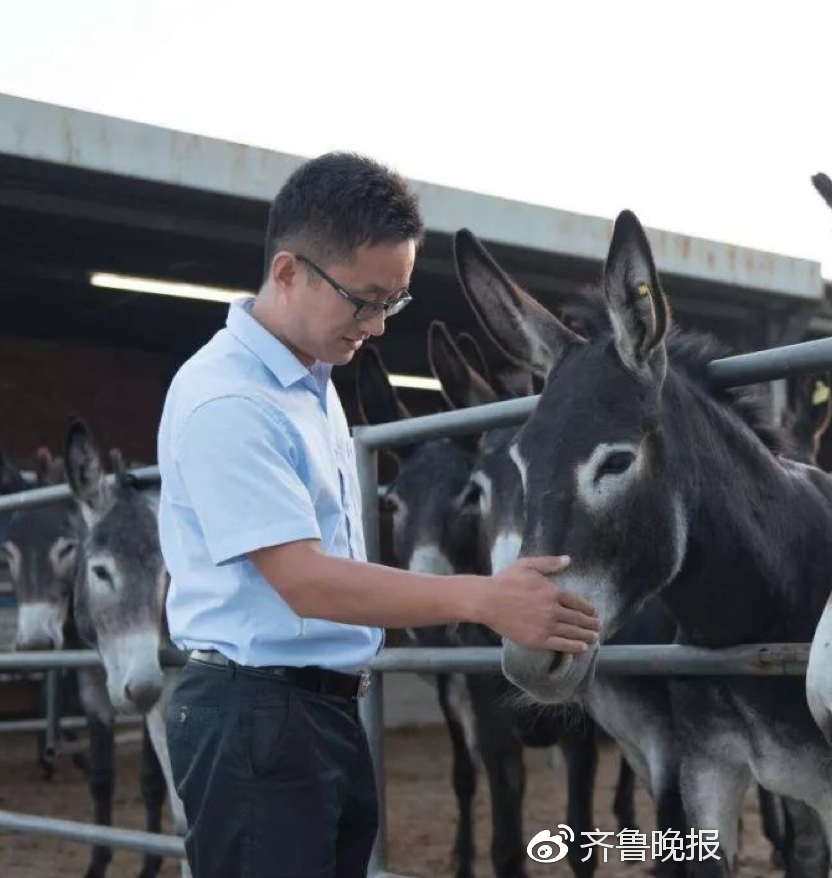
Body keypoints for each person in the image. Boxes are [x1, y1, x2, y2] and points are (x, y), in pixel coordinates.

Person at [157, 152, 599, 878]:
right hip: (257, 718)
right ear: (289, 272)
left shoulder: (311, 385)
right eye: (363, 299)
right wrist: (484, 598)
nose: (378, 325)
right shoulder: (230, 400)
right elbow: (305, 581)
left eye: (392, 302)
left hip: (316, 710)